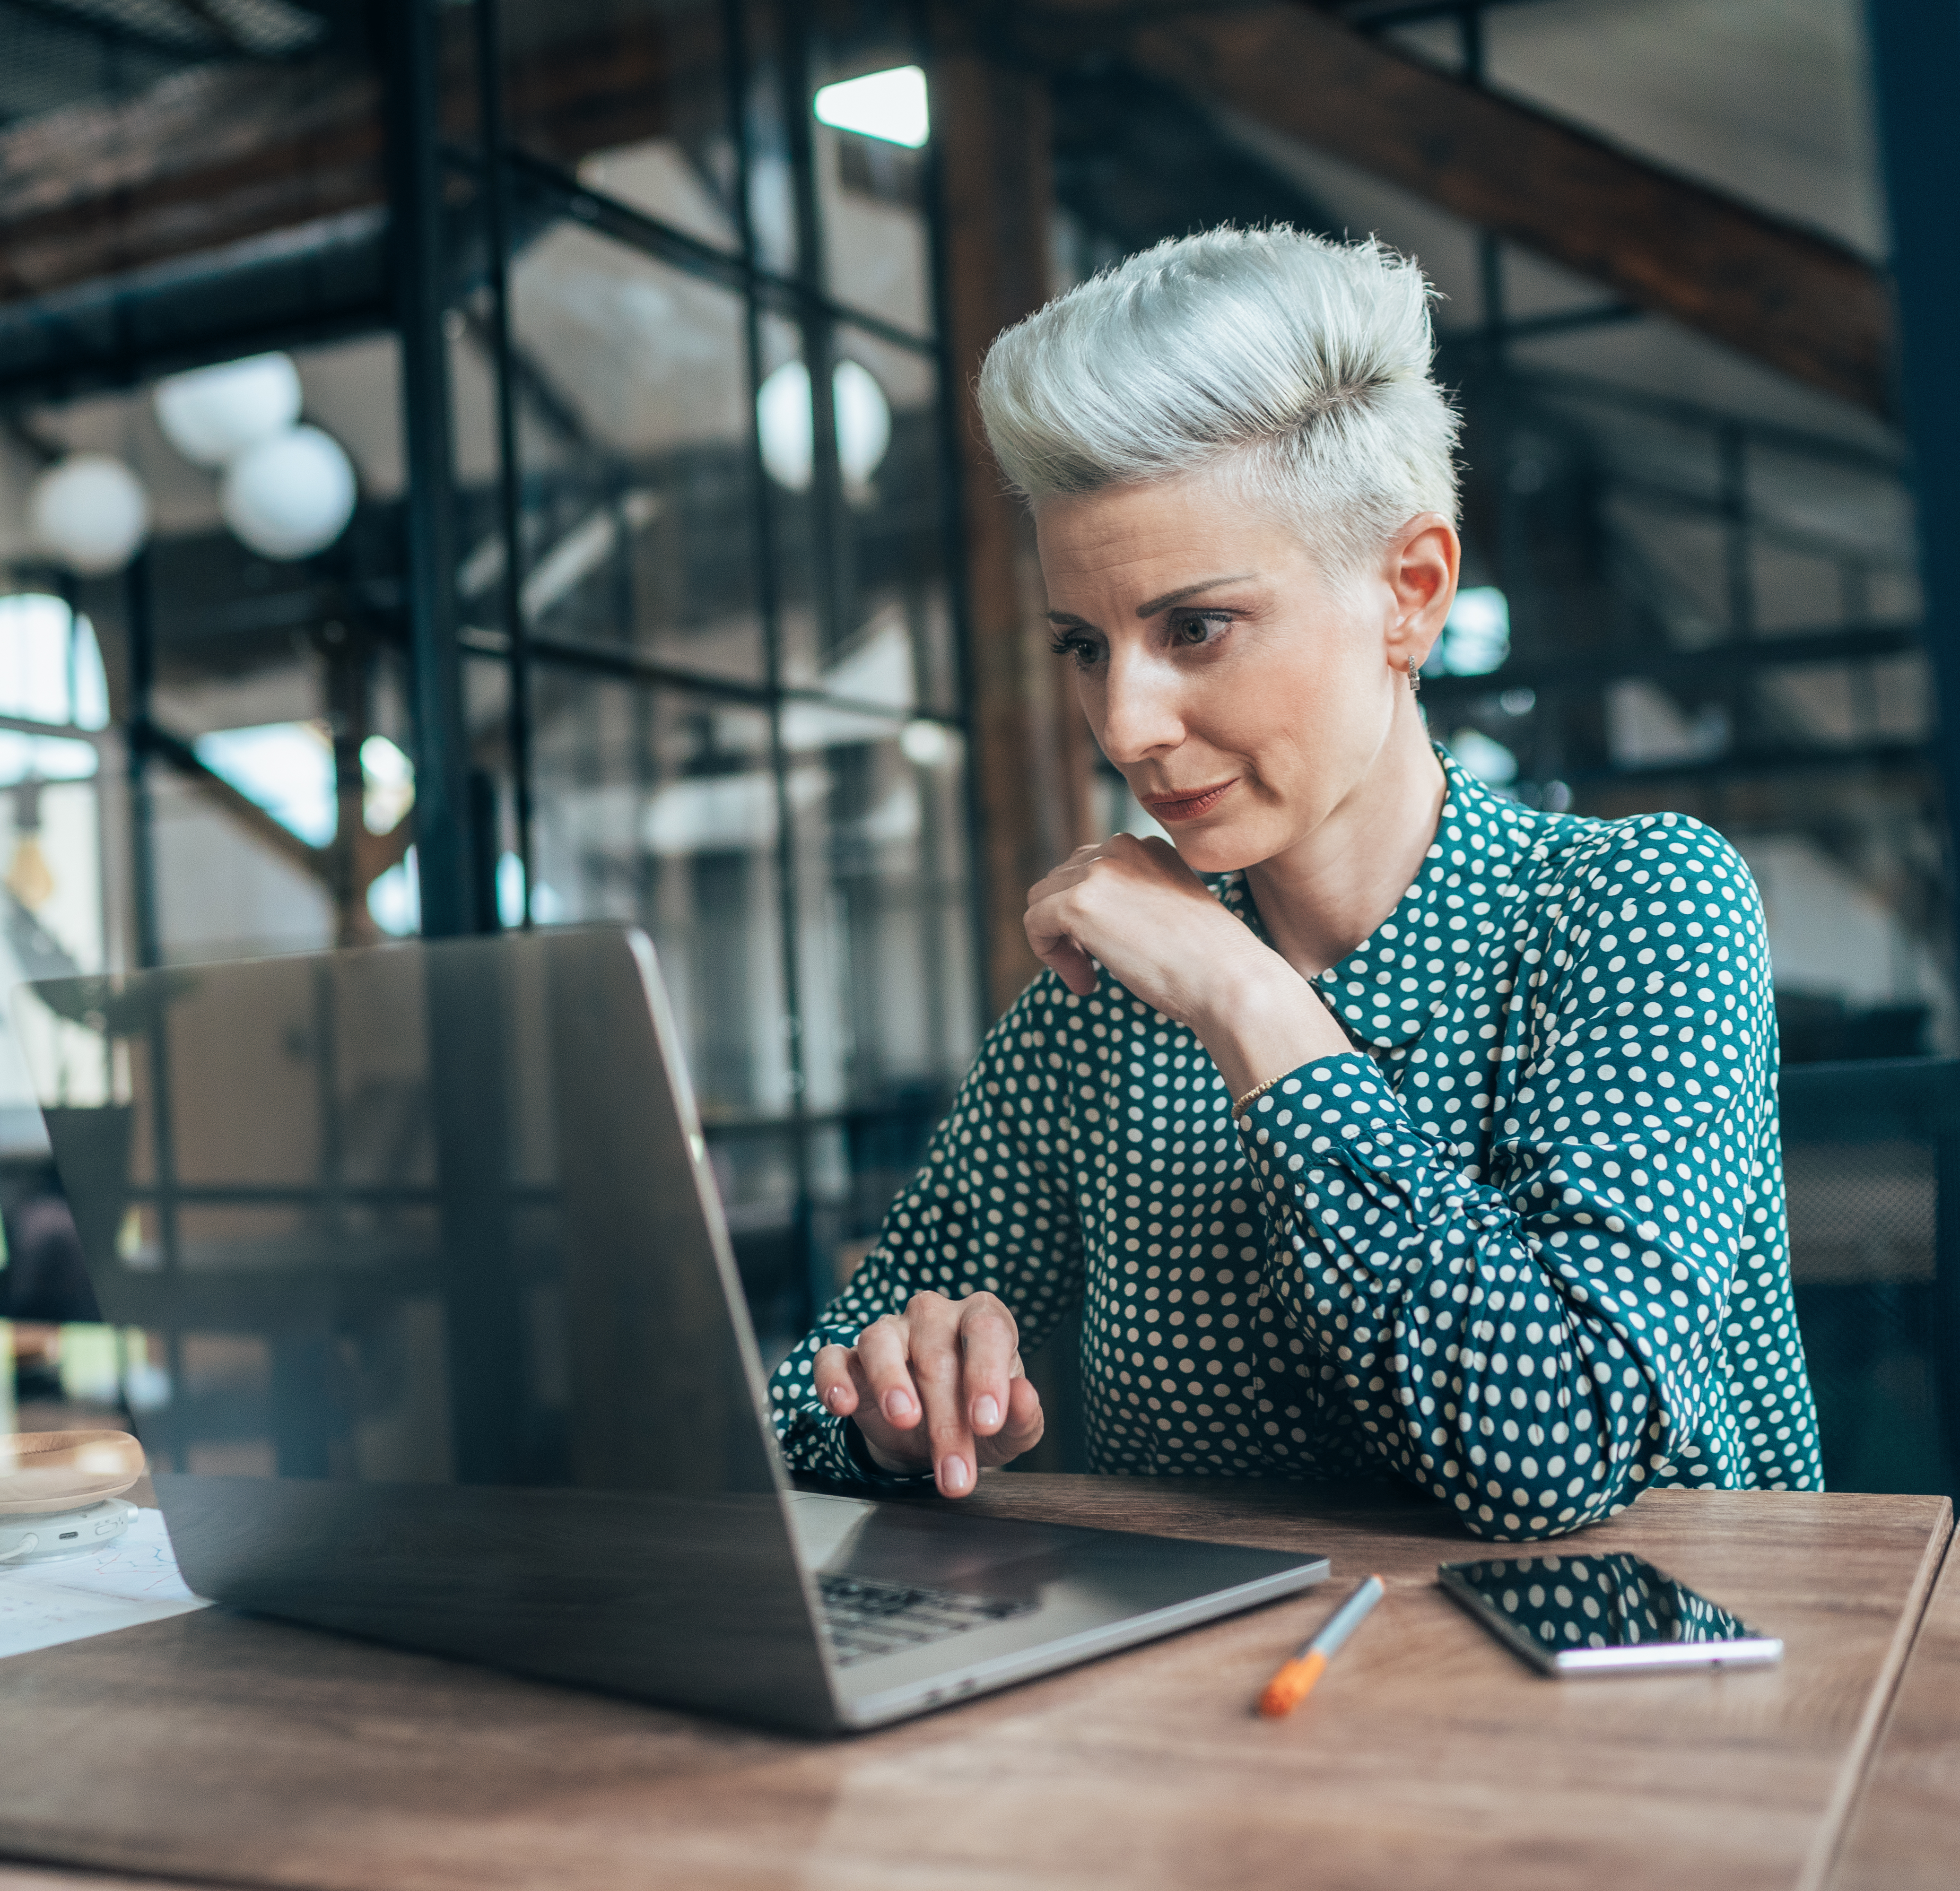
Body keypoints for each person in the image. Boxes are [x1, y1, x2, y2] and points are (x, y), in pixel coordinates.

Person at [768, 226, 1821, 1540]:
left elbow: (1556, 1449)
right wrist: (890, 1403)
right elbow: (798, 1403)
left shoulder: (1636, 909)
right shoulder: (1099, 1009)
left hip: (1662, 1704)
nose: (1127, 724)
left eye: (1193, 629)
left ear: (1411, 592)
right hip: (1238, 1720)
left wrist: (1245, 1000)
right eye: (1086, 647)